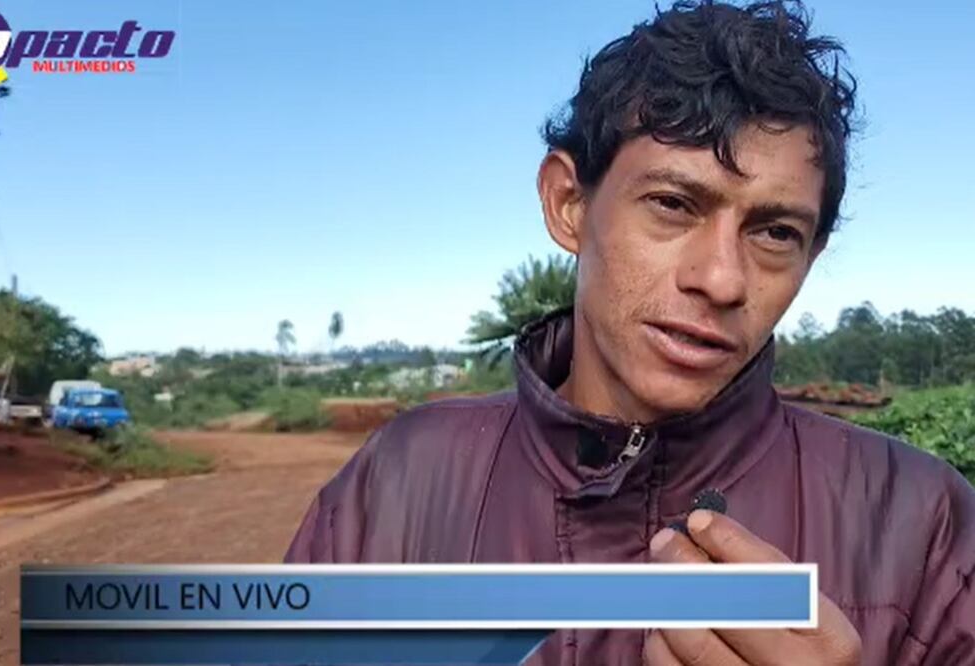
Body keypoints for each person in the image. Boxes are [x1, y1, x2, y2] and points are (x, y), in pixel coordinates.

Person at [285, 1, 975, 663]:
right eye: (673, 204)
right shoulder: (400, 481)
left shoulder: (921, 523)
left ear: (811, 256)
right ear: (568, 204)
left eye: (773, 231)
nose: (722, 279)